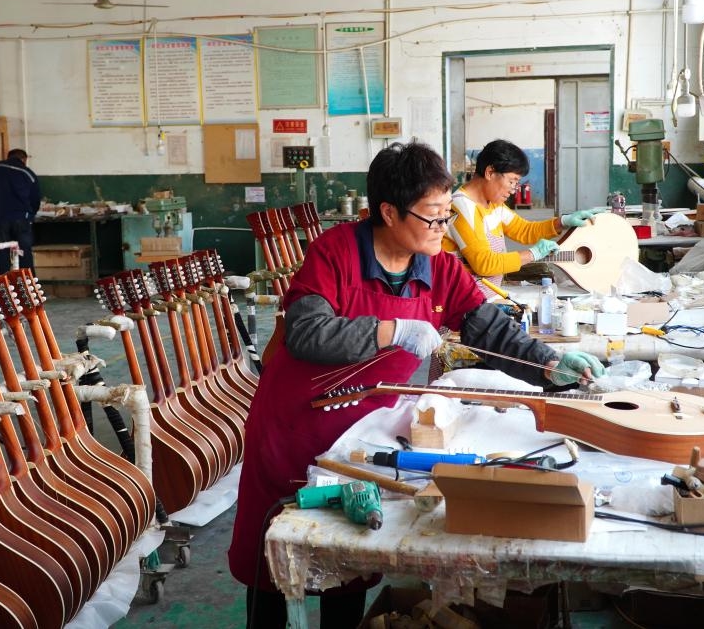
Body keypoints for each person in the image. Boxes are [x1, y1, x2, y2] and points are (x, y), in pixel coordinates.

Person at [228, 140, 605, 629]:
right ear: (388, 211)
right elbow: (305, 332)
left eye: (448, 215)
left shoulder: (439, 266)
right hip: (294, 426)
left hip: (365, 436)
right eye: (432, 217)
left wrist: (550, 365)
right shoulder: (336, 252)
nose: (443, 229)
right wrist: (392, 330)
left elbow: (490, 329)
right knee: (276, 570)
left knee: (348, 560)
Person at [442, 139, 603, 298]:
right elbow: (485, 263)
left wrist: (563, 221)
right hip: (461, 302)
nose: (513, 190)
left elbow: (524, 230)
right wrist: (532, 254)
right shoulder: (461, 206)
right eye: (512, 181)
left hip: (485, 297)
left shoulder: (493, 204)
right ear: (490, 172)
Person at [0, 148, 40, 273]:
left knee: (2, 252)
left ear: (8, 157)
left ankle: (4, 285)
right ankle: (27, 286)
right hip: (20, 217)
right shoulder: (27, 173)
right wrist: (31, 214)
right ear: (23, 159)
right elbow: (35, 198)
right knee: (24, 252)